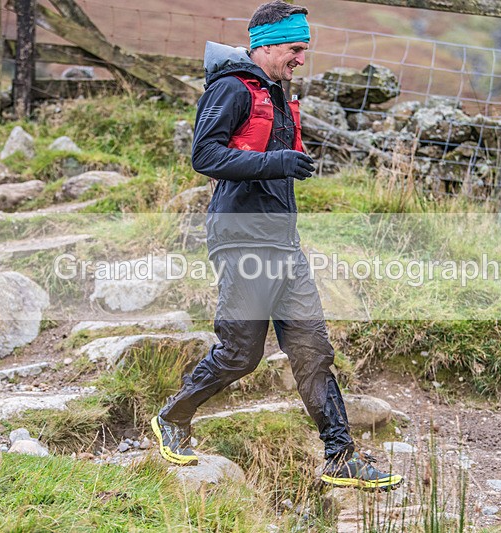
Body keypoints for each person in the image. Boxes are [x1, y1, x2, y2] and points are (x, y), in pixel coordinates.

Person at [151, 0, 403, 492]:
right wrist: (278, 163)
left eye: (304, 49)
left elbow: (270, 157)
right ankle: (173, 418)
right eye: (295, 48)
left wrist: (286, 164)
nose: (301, 58)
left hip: (283, 244)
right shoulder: (231, 87)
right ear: (265, 44)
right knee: (242, 354)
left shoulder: (279, 92)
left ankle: (340, 456)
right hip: (241, 239)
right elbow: (204, 155)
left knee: (313, 349)